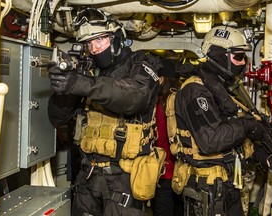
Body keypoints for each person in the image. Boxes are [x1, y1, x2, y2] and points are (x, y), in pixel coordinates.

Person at [47, 7, 194, 216]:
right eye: (89, 43)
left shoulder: (140, 63)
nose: (94, 48)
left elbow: (135, 97)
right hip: (88, 176)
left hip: (124, 178)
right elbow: (56, 117)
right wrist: (69, 85)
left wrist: (83, 84)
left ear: (116, 37)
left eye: (100, 40)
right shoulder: (89, 72)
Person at [169, 25, 272, 216]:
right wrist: (247, 125)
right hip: (206, 189)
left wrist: (266, 157)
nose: (243, 62)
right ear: (219, 54)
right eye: (238, 56)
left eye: (244, 56)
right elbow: (210, 141)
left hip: (227, 185)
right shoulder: (195, 91)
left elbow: (232, 140)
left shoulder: (221, 90)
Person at [151, 77, 184, 216]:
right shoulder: (183, 105)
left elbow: (156, 139)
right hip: (182, 172)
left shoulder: (158, 106)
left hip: (163, 172)